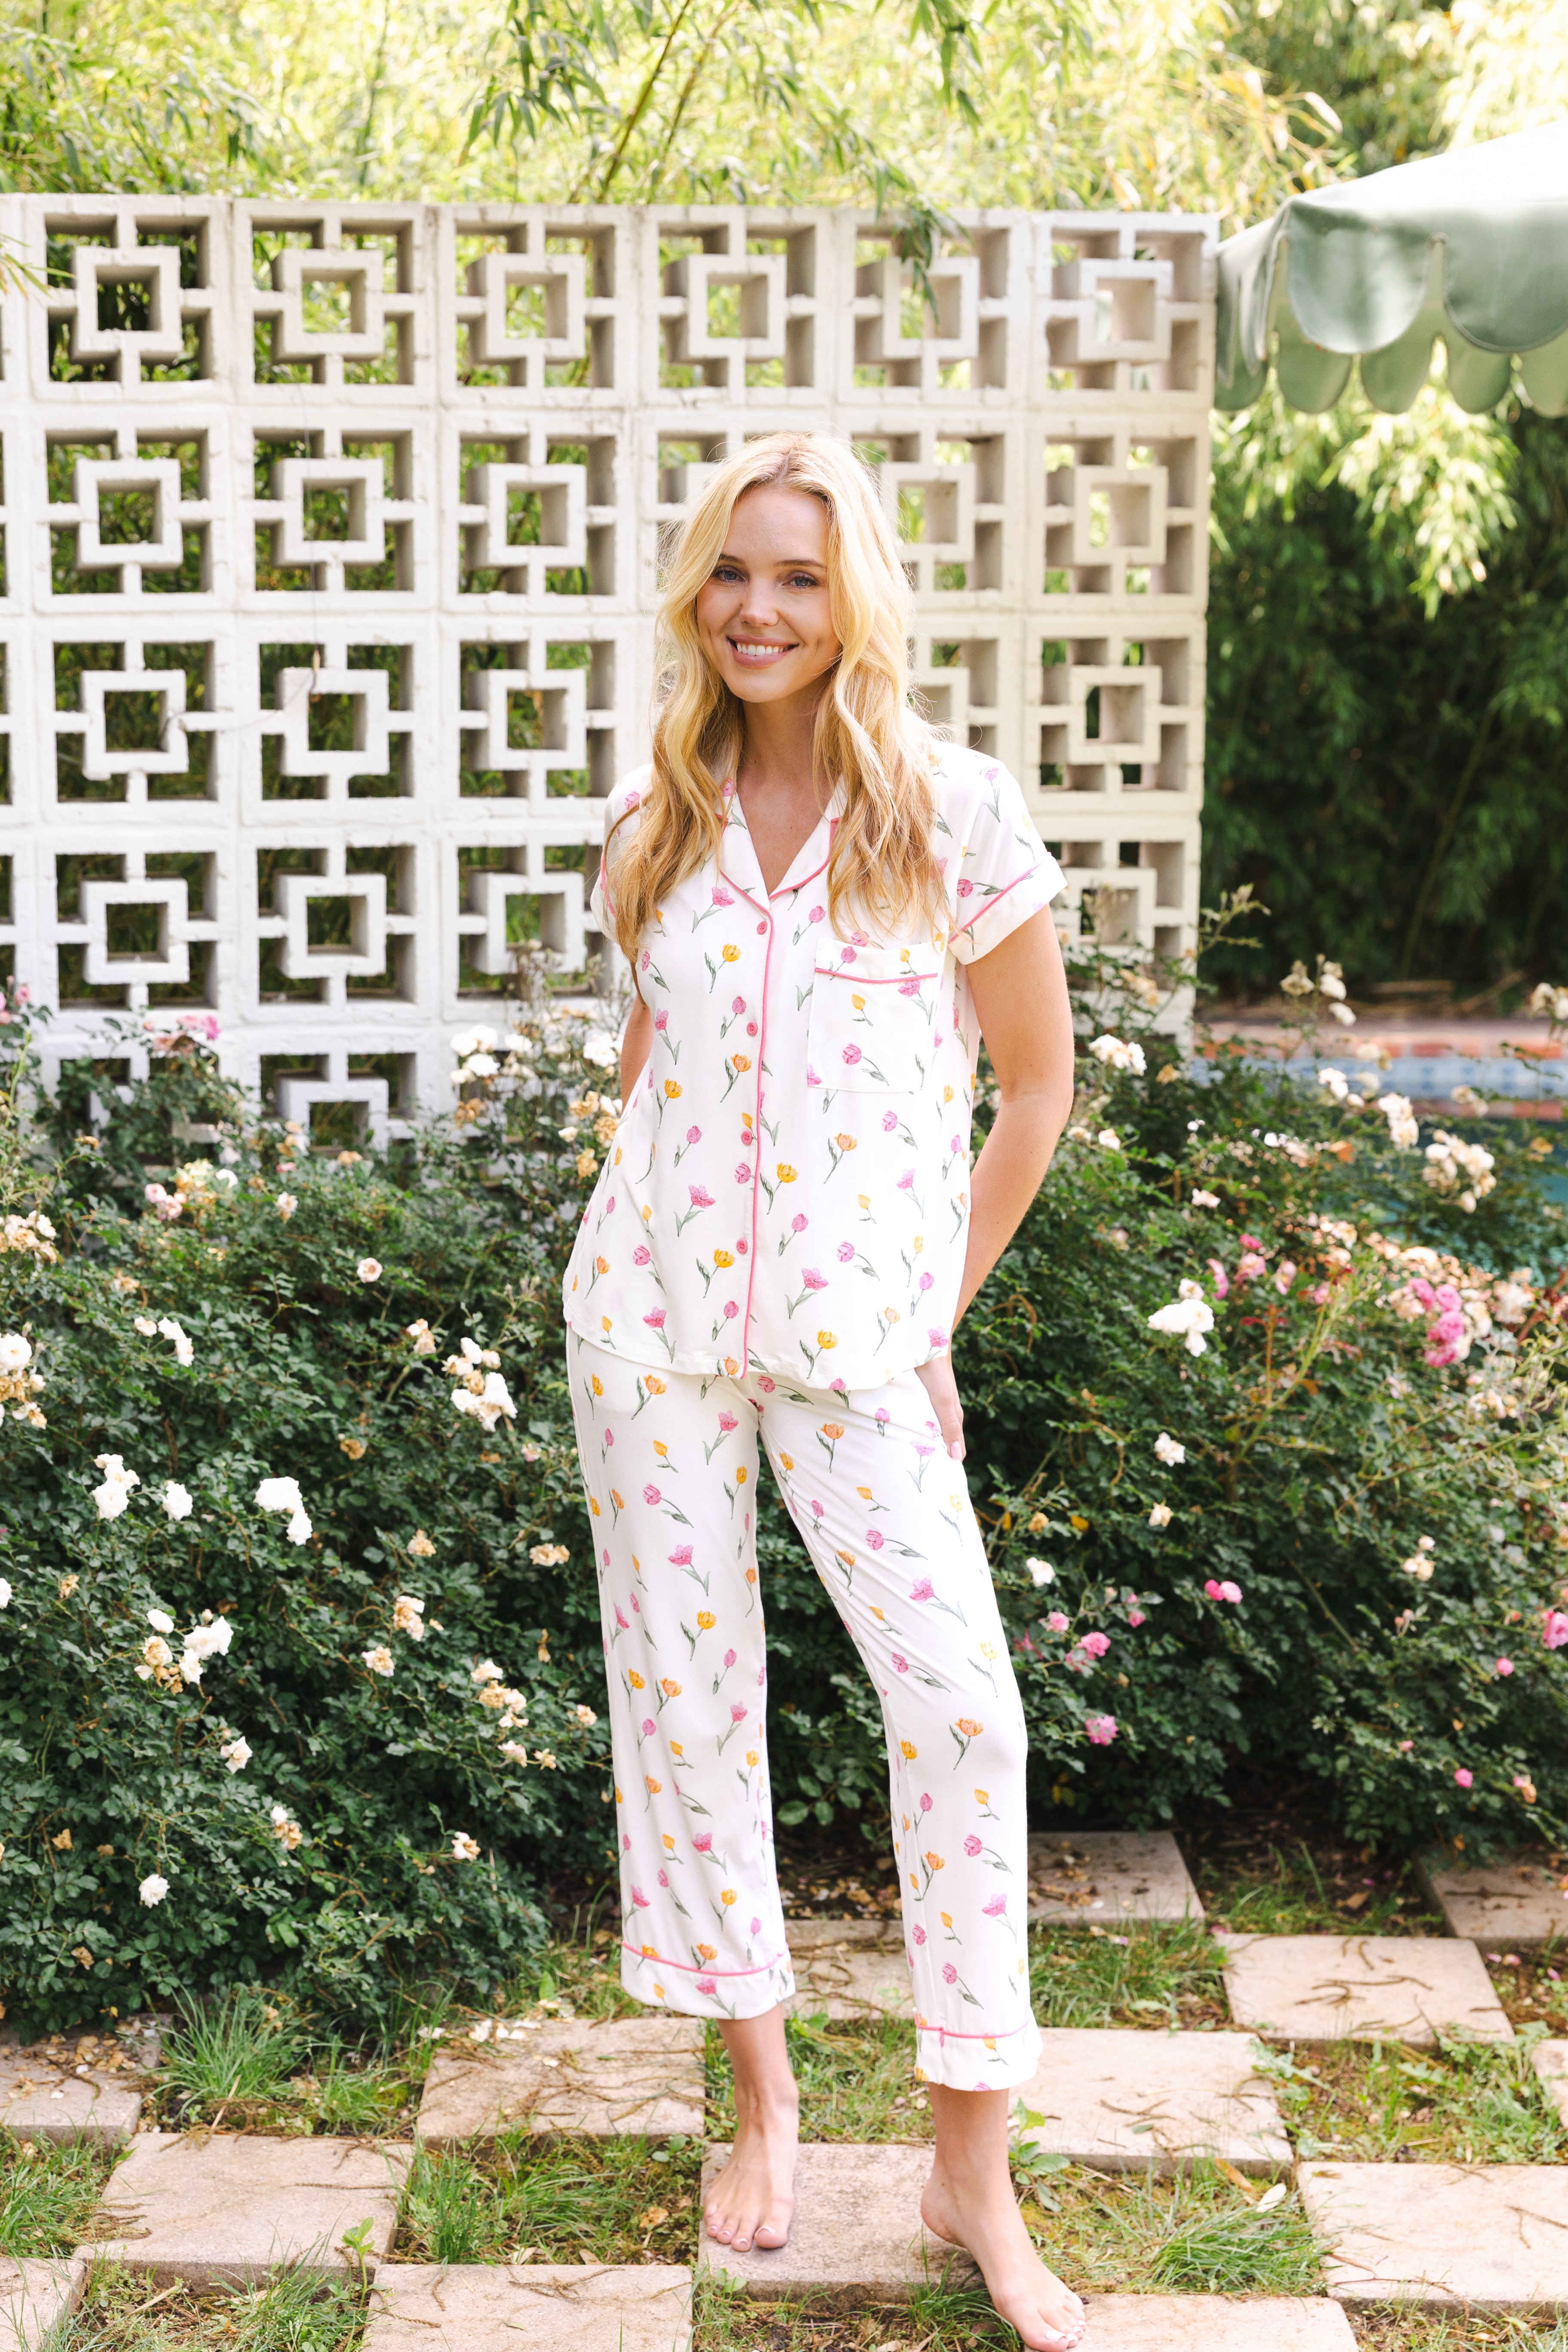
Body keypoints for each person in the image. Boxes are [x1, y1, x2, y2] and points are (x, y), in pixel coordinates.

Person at [561, 432, 1081, 2352]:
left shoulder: (952, 812)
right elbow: (656, 1072)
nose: (759, 609)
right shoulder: (659, 824)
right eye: (730, 575)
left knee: (963, 1712)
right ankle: (762, 2099)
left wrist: (929, 1312)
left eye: (795, 575)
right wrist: (610, 1252)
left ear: (850, 596)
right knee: (692, 1712)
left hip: (862, 1351)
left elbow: (1032, 1092)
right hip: (653, 1329)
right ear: (698, 599)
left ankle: (970, 2169)